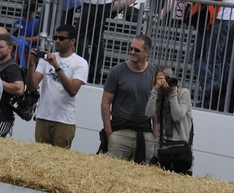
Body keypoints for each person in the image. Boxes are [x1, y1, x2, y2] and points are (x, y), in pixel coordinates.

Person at [28, 24, 88, 147]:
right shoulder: (46, 60)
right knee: (39, 158)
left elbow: (72, 90)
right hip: (43, 116)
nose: (57, 41)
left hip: (64, 120)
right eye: (56, 38)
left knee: (60, 161)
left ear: (72, 41)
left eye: (61, 38)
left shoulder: (80, 63)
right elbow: (31, 87)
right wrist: (31, 66)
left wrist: (56, 67)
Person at [101, 34, 155, 162]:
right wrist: (109, 133)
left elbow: (156, 106)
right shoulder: (117, 71)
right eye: (130, 48)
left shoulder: (154, 73)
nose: (132, 52)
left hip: (145, 132)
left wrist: (154, 136)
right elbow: (105, 103)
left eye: (137, 50)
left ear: (147, 52)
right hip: (120, 132)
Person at [150, 66, 195, 175]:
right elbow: (155, 124)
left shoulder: (183, 93)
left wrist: (172, 93)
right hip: (163, 149)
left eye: (165, 78)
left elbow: (177, 116)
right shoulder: (158, 97)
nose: (163, 82)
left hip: (182, 150)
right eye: (159, 79)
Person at [0, 32, 27, 138]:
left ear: (10, 49)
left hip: (2, 118)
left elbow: (19, 89)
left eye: (0, 47)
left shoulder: (12, 67)